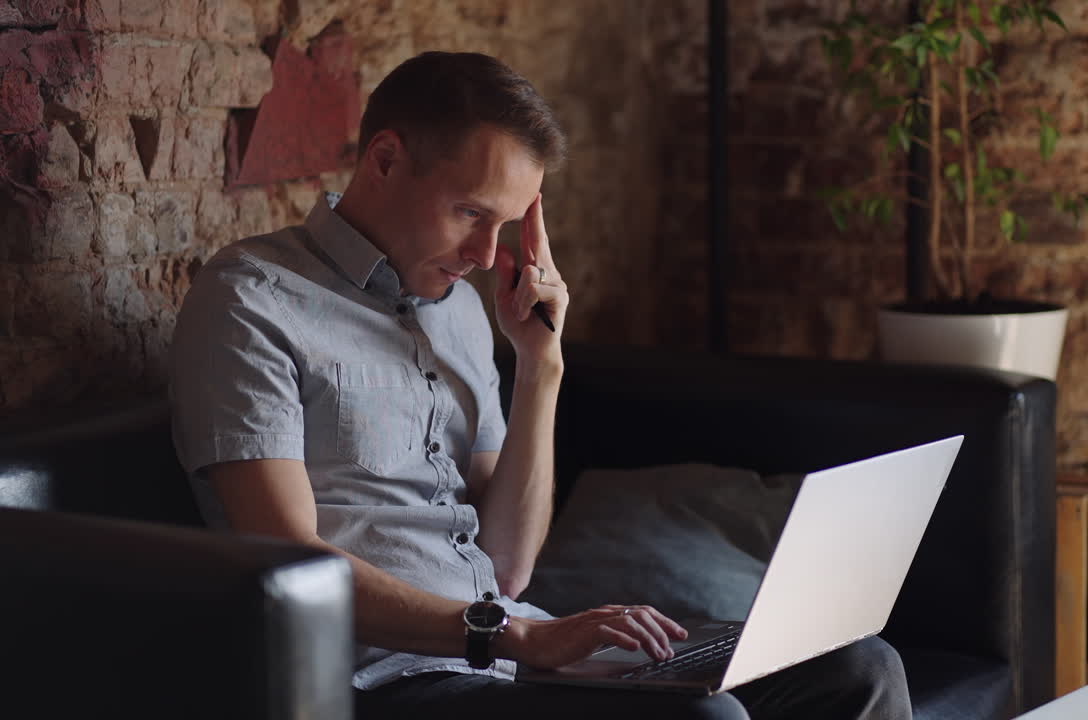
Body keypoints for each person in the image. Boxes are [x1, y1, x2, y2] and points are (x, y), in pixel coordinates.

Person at [170, 51, 911, 720]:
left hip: (506, 653)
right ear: (386, 160)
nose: (490, 255)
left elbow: (508, 564)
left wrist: (539, 364)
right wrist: (518, 635)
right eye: (470, 213)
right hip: (386, 681)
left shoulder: (460, 308)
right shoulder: (251, 299)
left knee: (859, 667)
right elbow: (288, 556)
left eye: (507, 225)